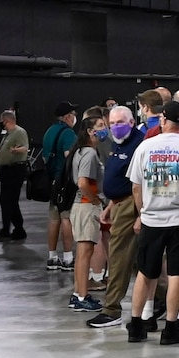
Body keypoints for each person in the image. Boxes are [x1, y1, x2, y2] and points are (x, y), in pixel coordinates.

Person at [125, 99, 179, 346]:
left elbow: (136, 187)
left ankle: (137, 324)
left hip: (152, 219)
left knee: (145, 273)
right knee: (177, 274)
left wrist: (142, 212)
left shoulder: (145, 147)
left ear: (162, 120)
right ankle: (171, 328)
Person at [86, 107, 141, 331]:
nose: (115, 126)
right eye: (112, 122)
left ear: (132, 121)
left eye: (120, 121)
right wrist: (110, 205)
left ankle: (112, 309)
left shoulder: (139, 143)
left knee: (118, 257)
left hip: (131, 205)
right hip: (119, 204)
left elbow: (138, 184)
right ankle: (162, 298)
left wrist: (139, 213)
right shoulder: (118, 142)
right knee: (136, 259)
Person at [68, 111, 107, 312]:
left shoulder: (83, 151)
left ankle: (79, 293)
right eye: (101, 125)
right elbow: (83, 182)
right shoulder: (89, 153)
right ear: (91, 131)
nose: (105, 128)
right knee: (85, 253)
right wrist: (95, 200)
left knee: (84, 252)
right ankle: (81, 296)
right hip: (85, 207)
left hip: (83, 206)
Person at [41, 103, 79, 270]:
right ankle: (68, 257)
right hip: (65, 182)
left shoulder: (49, 131)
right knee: (66, 217)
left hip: (52, 181)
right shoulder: (68, 133)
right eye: (73, 113)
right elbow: (69, 156)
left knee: (54, 217)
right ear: (67, 117)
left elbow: (44, 157)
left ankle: (52, 256)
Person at [0, 109, 29, 241]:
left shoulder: (19, 132)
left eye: (2, 122)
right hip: (7, 170)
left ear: (6, 121)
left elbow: (25, 148)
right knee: (8, 201)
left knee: (8, 201)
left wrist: (16, 150)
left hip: (15, 170)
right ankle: (18, 229)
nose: (1, 124)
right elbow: (3, 153)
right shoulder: (7, 135)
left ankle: (7, 230)